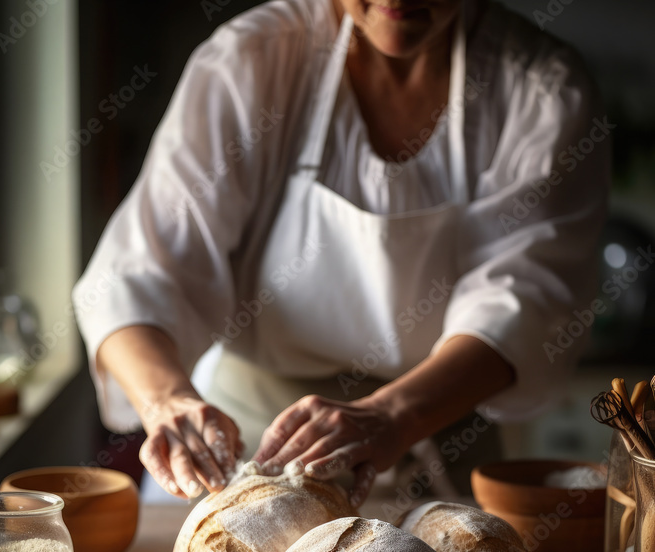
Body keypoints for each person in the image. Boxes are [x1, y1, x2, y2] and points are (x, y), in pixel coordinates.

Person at [72, 0, 610, 508]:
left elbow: (529, 301)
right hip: (249, 447)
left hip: (438, 436)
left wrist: (391, 416)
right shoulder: (252, 61)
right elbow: (137, 273)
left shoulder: (540, 90)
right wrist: (168, 401)